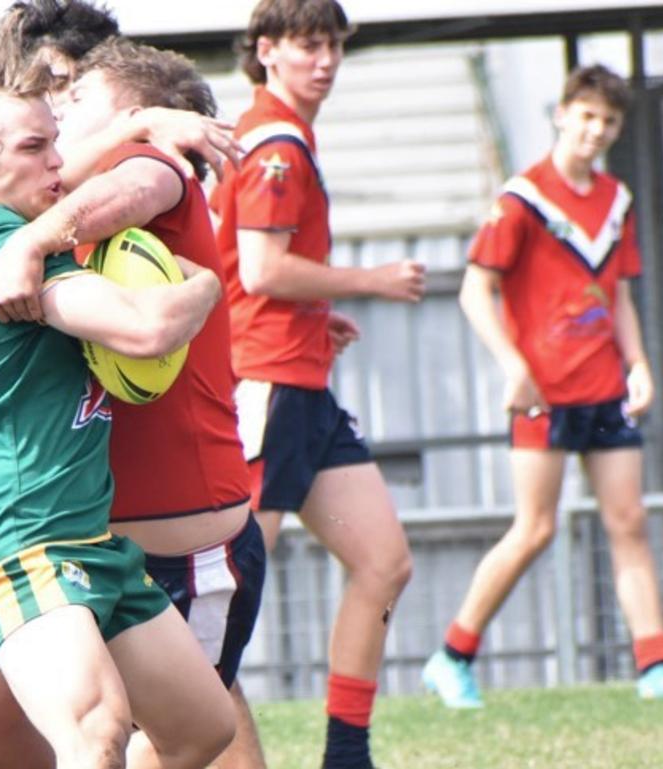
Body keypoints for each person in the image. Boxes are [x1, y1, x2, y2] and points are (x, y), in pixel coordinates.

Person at [0, 32, 270, 769]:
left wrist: (136, 127)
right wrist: (205, 281)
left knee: (202, 727)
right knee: (96, 734)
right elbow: (145, 324)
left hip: (81, 537)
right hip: (14, 537)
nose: (58, 161)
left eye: (57, 140)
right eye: (36, 146)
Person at [208, 2, 426, 768]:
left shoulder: (286, 136)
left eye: (334, 44)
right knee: (221, 609)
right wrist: (370, 279)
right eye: (307, 44)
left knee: (385, 561)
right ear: (266, 51)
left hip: (300, 380)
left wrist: (317, 317)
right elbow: (262, 268)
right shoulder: (273, 144)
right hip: (266, 387)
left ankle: (346, 752)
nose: (325, 59)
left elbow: (247, 275)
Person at [422, 63, 663, 708]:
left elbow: (617, 295)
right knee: (535, 529)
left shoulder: (617, 201)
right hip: (544, 394)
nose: (596, 130)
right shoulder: (522, 197)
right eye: (586, 116)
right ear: (562, 113)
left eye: (608, 122)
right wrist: (514, 364)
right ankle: (452, 656)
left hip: (605, 389)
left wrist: (638, 363)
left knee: (629, 521)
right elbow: (477, 290)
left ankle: (653, 667)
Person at [0, 0, 240, 376]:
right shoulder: (26, 207)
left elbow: (132, 191)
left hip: (178, 436)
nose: (55, 106)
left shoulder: (146, 160)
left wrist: (28, 244)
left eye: (69, 89)